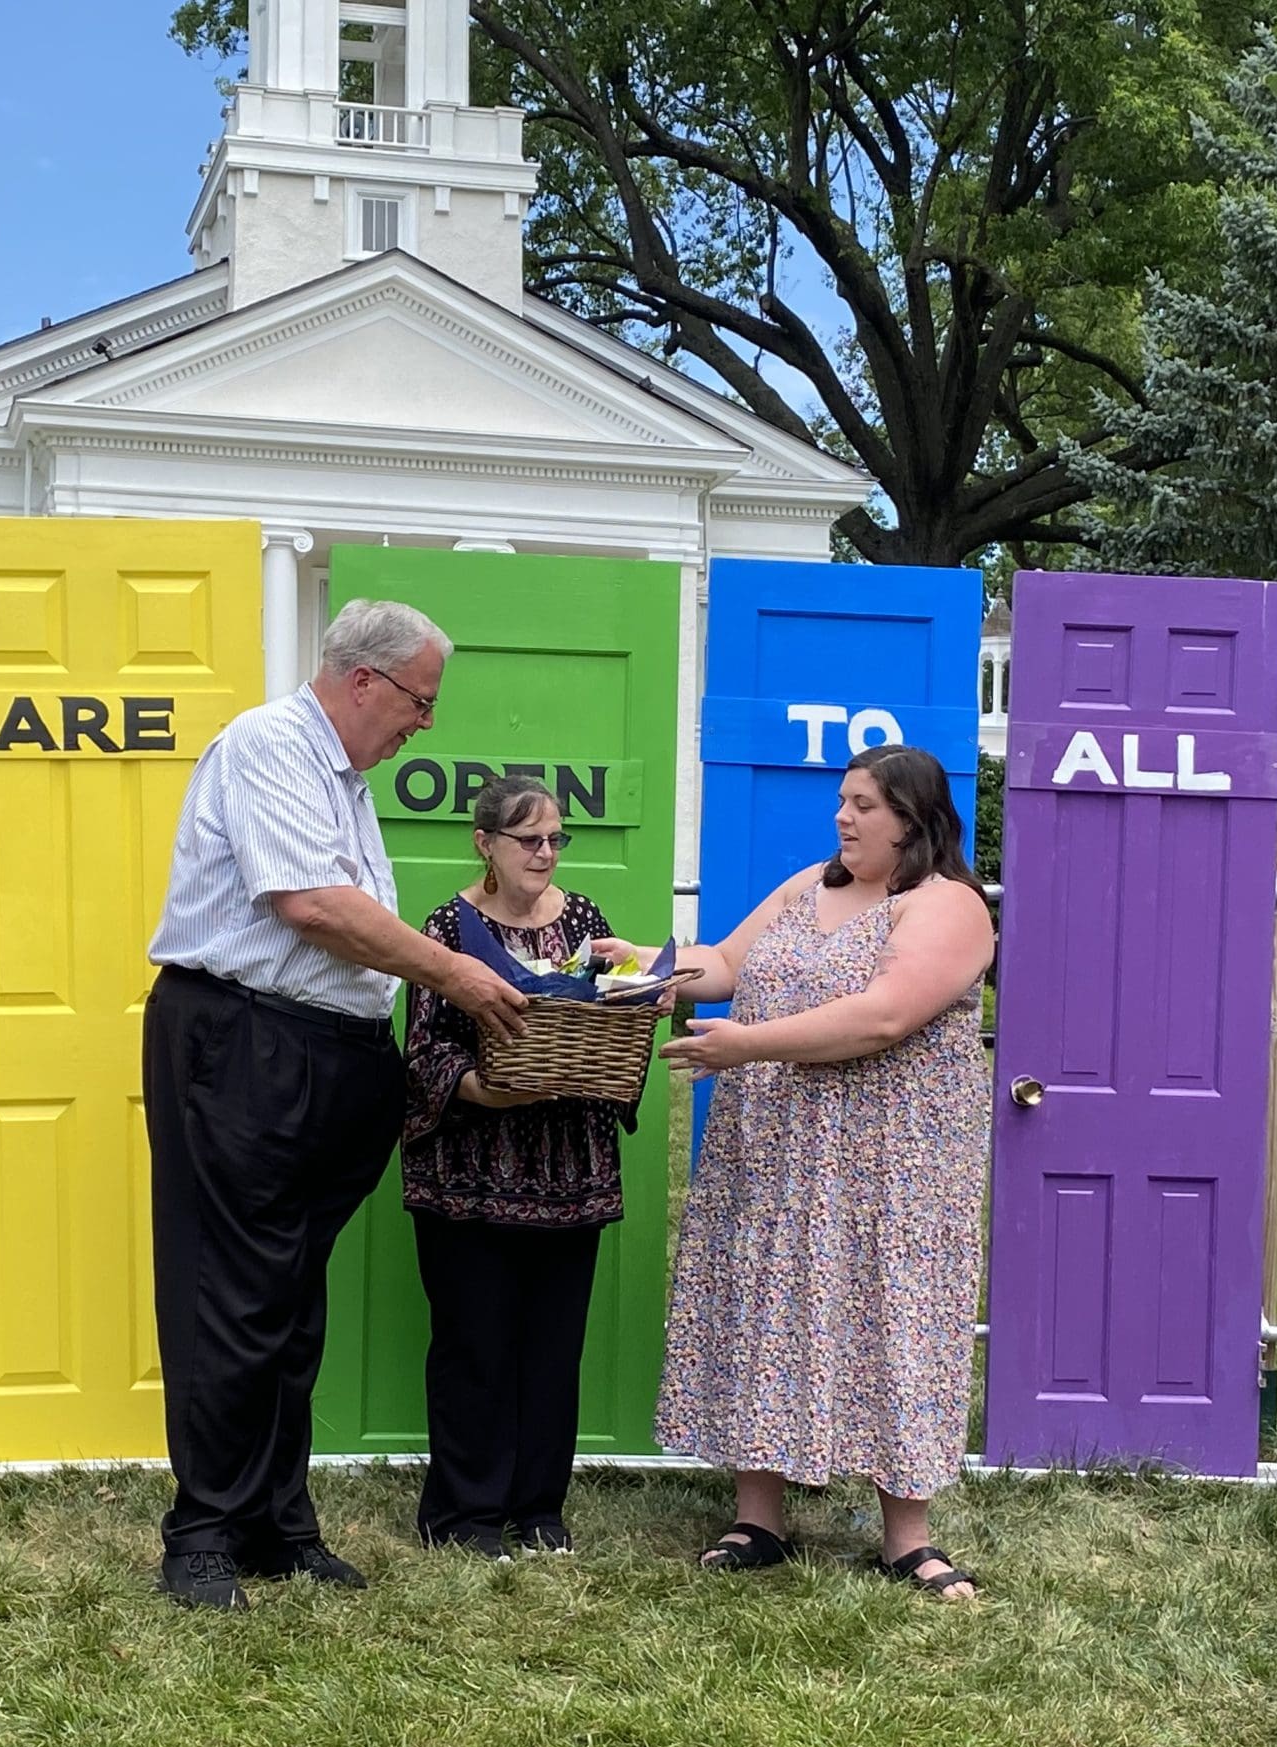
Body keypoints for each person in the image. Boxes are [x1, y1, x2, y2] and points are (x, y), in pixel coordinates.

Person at [142, 599, 529, 1612]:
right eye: (419, 700)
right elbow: (309, 904)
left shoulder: (342, 779)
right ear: (365, 681)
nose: (424, 724)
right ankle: (203, 1534)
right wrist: (455, 973)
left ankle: (275, 1522)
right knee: (231, 1295)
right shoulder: (270, 744)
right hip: (246, 1041)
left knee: (287, 1301)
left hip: (323, 1050)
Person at [598, 744, 996, 1602]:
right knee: (766, 1308)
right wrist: (646, 967)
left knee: (890, 1317)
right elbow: (729, 965)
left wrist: (745, 1045)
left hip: (887, 1169)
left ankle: (907, 1539)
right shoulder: (808, 886)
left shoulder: (948, 905)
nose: (843, 818)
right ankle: (758, 1520)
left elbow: (883, 1016)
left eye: (863, 806)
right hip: (774, 1153)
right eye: (842, 801)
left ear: (913, 819)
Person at [401, 776, 636, 1559]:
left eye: (555, 839)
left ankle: (539, 1510)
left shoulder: (586, 922)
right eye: (527, 839)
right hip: (468, 1176)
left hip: (572, 1174)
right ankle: (464, 1515)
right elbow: (425, 1050)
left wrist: (637, 994)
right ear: (485, 844)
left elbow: (613, 1018)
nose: (544, 853)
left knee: (551, 1349)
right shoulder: (446, 924)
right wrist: (482, 1088)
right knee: (474, 1345)